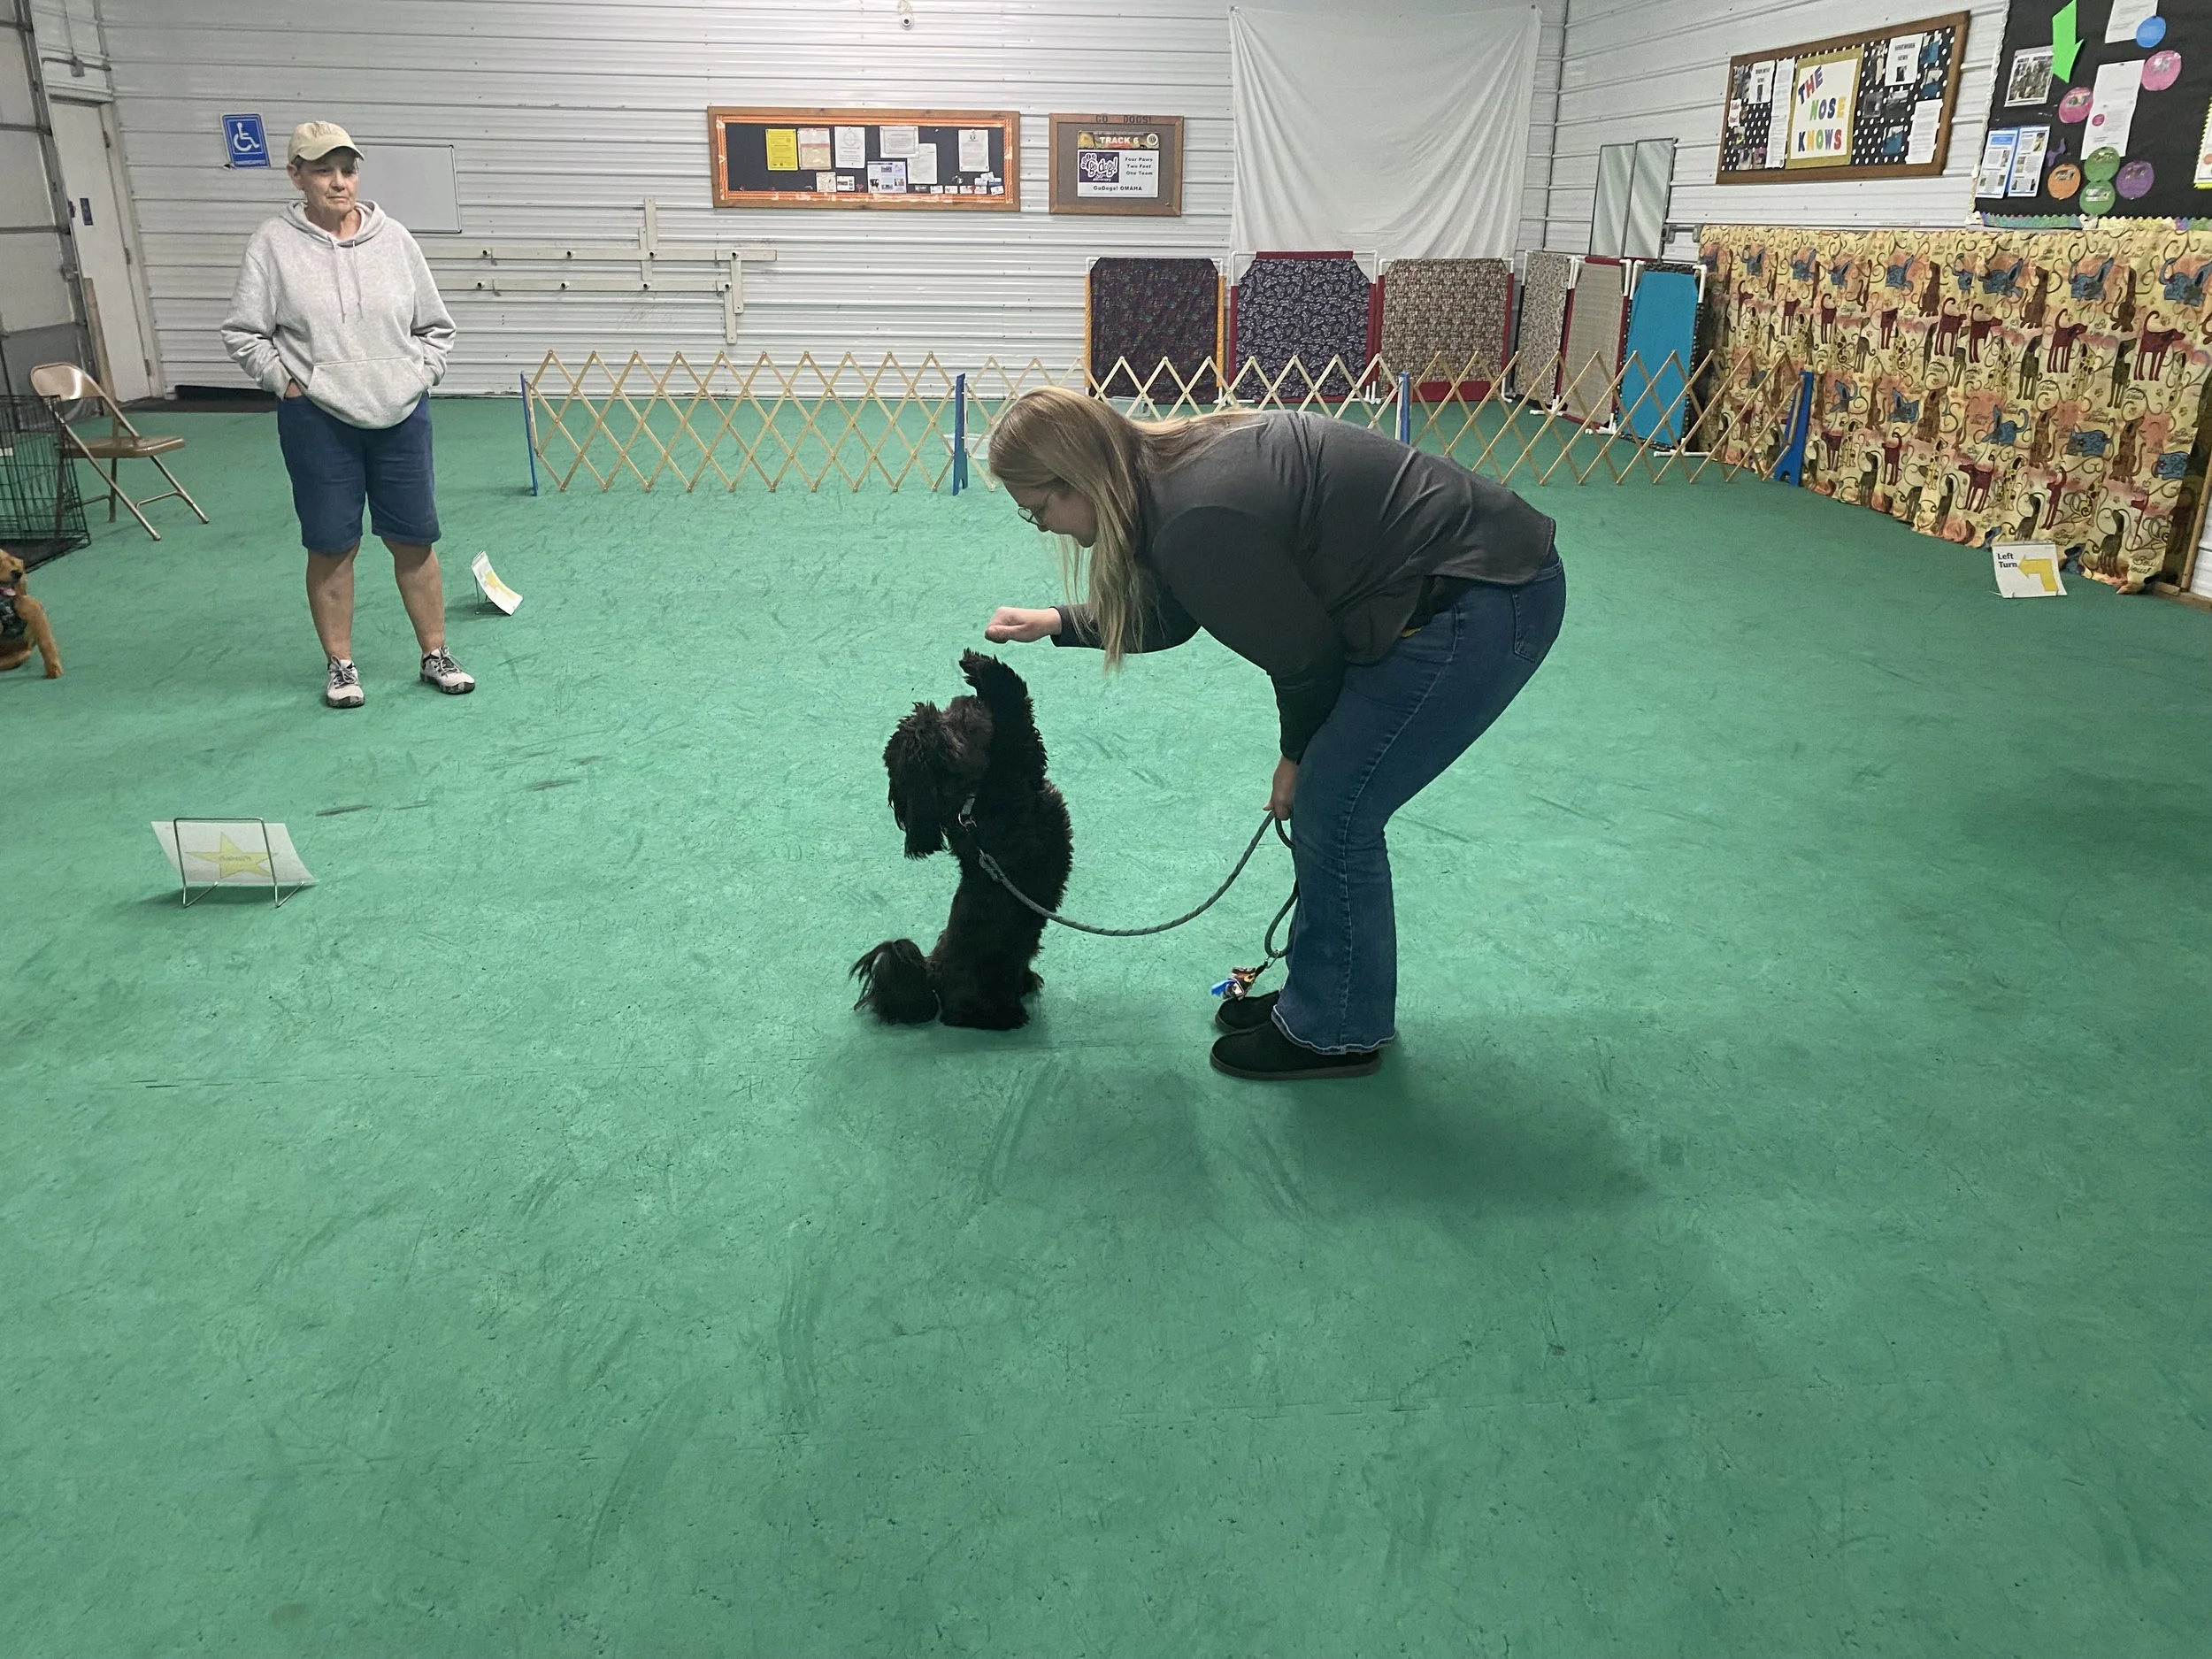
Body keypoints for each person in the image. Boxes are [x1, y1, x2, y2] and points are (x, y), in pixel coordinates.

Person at [983, 388, 1565, 1082]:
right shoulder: (1165, 471)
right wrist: (1058, 620)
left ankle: (1335, 1030)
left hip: (1487, 599)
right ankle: (1320, 1000)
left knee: (1334, 806)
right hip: (1455, 583)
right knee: (1332, 802)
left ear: (1075, 478)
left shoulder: (1191, 515)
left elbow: (1303, 656)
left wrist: (1293, 759)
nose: (1041, 525)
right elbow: (1177, 612)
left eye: (1038, 507)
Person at [220, 121, 472, 709]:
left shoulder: (397, 240)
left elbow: (436, 325)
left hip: (401, 415)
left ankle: (436, 654)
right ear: (297, 176)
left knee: (415, 539)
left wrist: (420, 374)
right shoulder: (272, 245)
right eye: (323, 170)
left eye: (347, 169)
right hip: (318, 418)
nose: (339, 182)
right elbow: (243, 331)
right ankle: (341, 665)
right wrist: (285, 382)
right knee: (332, 545)